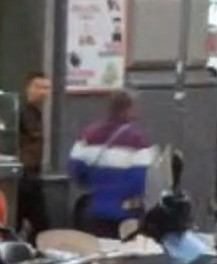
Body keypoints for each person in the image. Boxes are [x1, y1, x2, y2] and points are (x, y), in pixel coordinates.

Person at [67, 91, 158, 237]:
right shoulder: (137, 140)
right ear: (129, 109)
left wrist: (95, 186)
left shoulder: (89, 134)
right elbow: (142, 179)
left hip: (93, 209)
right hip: (124, 214)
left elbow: (75, 168)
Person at [15, 72, 52, 238]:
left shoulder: (37, 112)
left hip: (31, 175)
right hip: (24, 176)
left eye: (46, 88)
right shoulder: (21, 111)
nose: (43, 92)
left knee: (24, 222)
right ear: (28, 88)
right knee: (41, 224)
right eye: (38, 87)